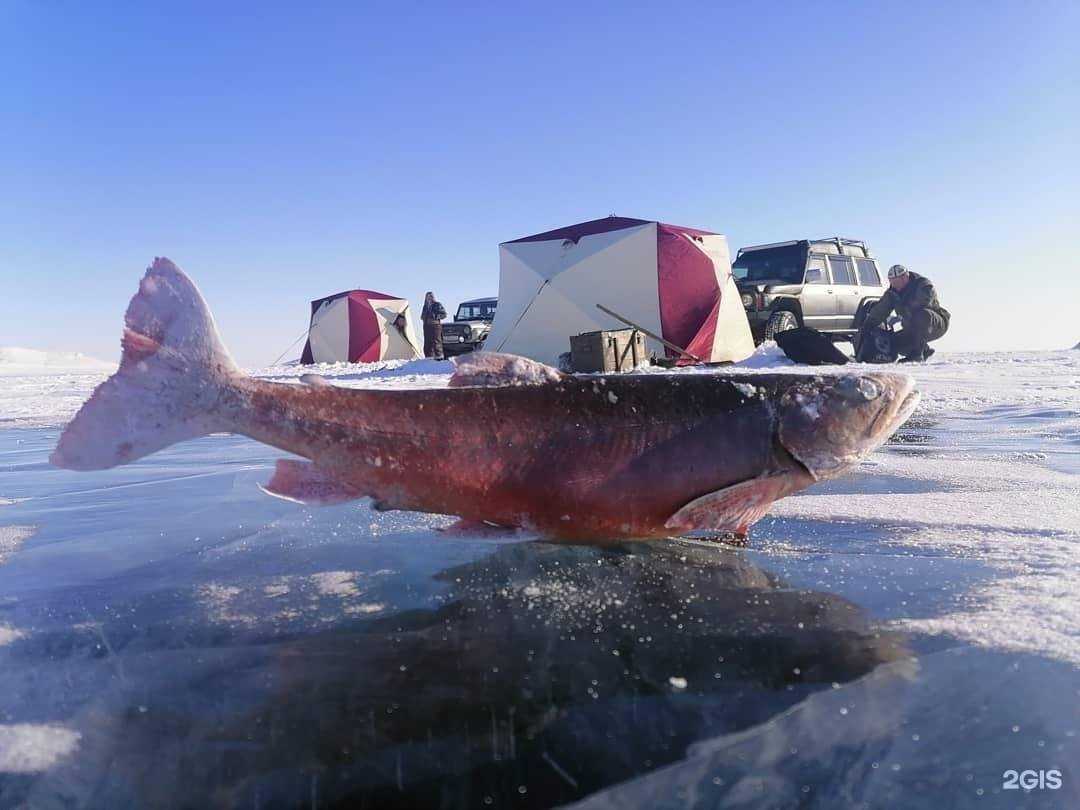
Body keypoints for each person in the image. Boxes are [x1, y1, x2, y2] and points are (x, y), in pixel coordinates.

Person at [859, 265, 950, 362]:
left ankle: (917, 354)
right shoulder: (892, 293)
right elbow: (880, 311)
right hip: (911, 328)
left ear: (905, 277)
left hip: (935, 324)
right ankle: (924, 350)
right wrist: (867, 326)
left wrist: (902, 305)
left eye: (897, 281)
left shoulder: (922, 284)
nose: (895, 285)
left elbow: (924, 302)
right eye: (892, 282)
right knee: (893, 342)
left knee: (921, 315)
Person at [421, 292, 447, 360]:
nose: (429, 298)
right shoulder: (425, 306)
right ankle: (429, 358)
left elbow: (444, 314)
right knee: (427, 343)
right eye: (427, 296)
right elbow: (422, 315)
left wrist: (435, 316)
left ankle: (439, 357)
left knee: (436, 342)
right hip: (426, 326)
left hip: (435, 326)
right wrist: (423, 317)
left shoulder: (437, 304)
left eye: (430, 296)